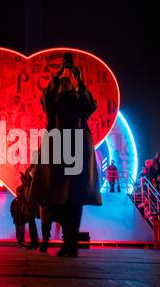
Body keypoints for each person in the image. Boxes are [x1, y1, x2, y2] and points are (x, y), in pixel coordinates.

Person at [28, 54, 101, 258]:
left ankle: (71, 243)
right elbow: (46, 98)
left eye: (67, 80)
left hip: (76, 146)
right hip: (59, 146)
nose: (65, 81)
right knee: (58, 195)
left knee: (74, 197)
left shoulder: (79, 101)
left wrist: (80, 79)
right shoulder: (54, 104)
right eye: (62, 81)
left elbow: (90, 105)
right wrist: (60, 72)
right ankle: (65, 242)